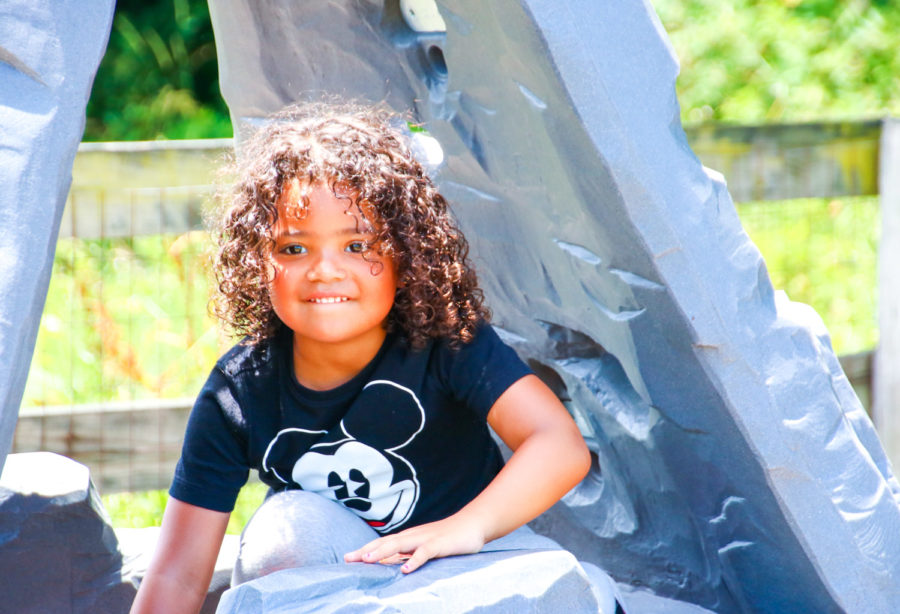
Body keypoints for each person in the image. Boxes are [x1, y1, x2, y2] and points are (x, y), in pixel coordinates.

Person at [130, 101, 591, 614]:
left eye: (358, 244)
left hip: (468, 562)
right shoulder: (241, 389)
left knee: (570, 594)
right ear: (257, 263)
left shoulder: (443, 341)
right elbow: (176, 576)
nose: (325, 270)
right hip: (344, 583)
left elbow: (560, 446)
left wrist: (463, 528)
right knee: (284, 531)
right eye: (293, 249)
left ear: (408, 253)